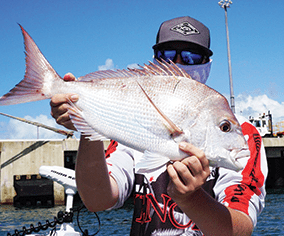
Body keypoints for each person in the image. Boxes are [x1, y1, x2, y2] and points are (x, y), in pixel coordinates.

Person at [50, 16, 267, 235]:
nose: (178, 63)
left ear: (207, 64)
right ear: (155, 60)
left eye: (192, 57)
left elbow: (241, 229)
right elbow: (98, 200)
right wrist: (87, 121)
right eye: (167, 56)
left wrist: (192, 199)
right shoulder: (133, 123)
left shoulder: (245, 136)